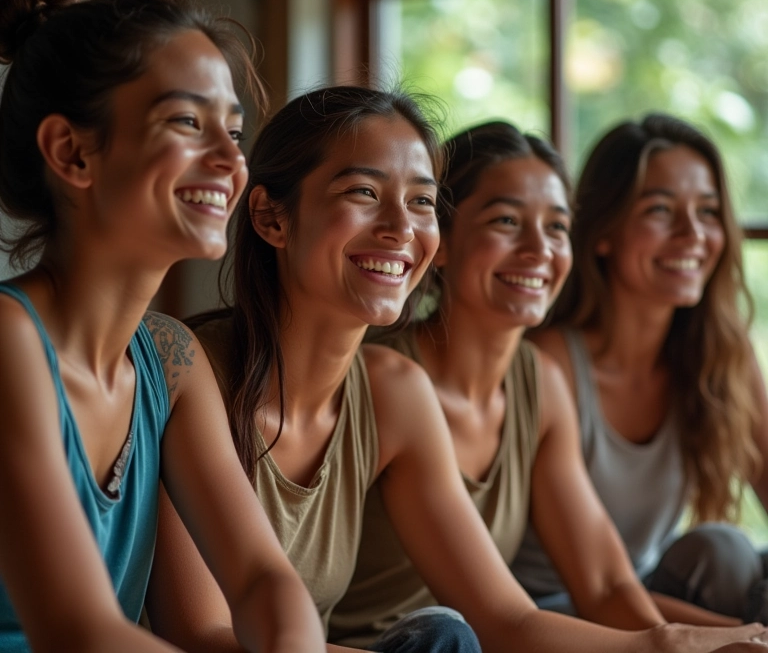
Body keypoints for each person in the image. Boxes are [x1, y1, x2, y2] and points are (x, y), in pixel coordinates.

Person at [147, 89, 768, 653]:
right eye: (363, 192)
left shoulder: (394, 391)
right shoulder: (188, 367)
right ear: (271, 217)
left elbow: (510, 618)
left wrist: (675, 644)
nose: (399, 228)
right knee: (443, 635)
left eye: (420, 202)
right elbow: (202, 634)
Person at [0, 0, 325, 653]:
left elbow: (266, 583)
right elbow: (78, 631)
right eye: (186, 121)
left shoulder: (170, 359)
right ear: (71, 152)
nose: (230, 161)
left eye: (233, 132)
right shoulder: (8, 340)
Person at [328, 120, 741, 649]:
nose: (538, 249)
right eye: (506, 221)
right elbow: (506, 622)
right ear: (442, 240)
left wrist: (701, 642)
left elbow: (604, 583)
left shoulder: (538, 381)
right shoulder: (382, 377)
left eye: (556, 227)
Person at [512, 113, 768, 625]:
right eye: (659, 210)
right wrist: (747, 637)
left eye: (709, 211)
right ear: (602, 233)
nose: (693, 233)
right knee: (725, 564)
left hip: (636, 587)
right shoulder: (549, 363)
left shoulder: (719, 355)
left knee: (723, 550)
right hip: (547, 609)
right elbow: (598, 588)